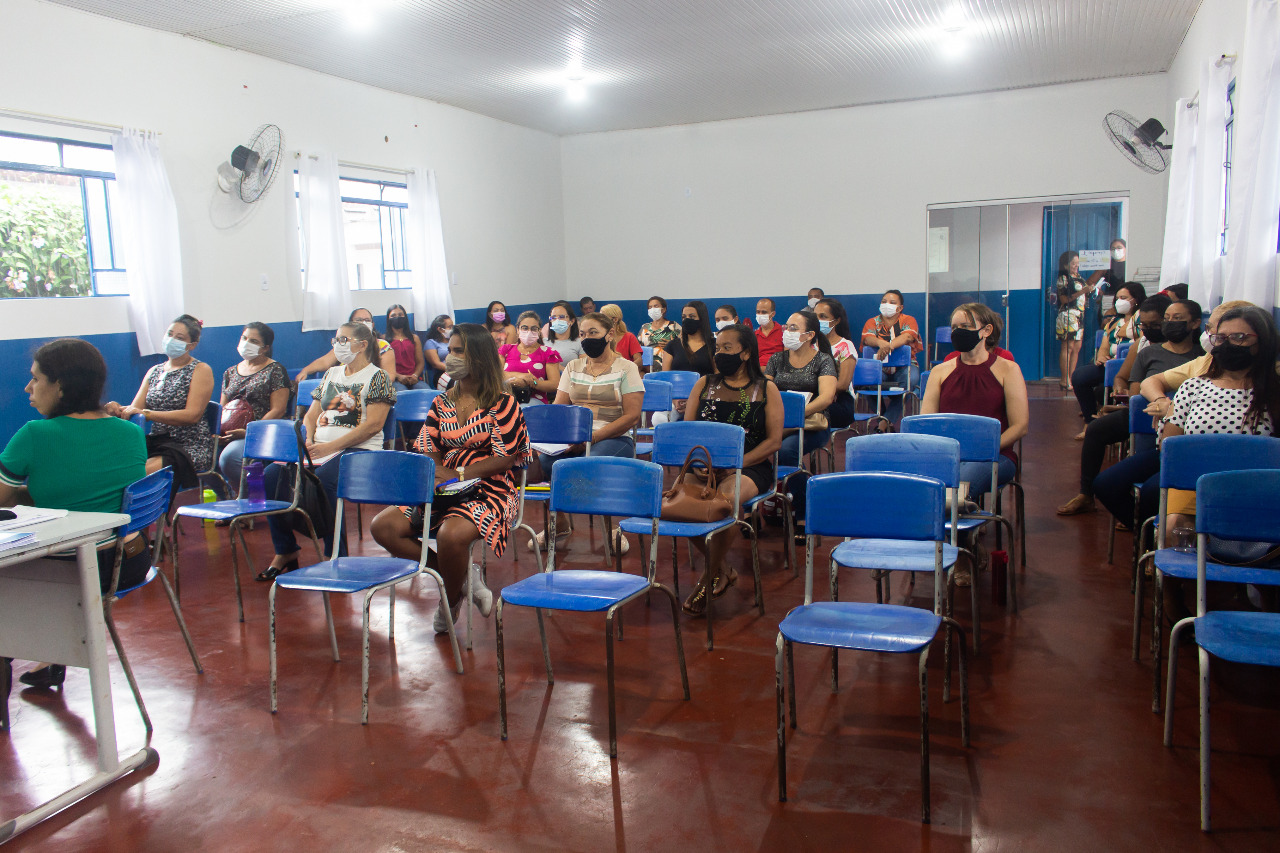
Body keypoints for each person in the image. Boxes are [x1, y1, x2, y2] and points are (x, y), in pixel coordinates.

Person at [1, 339, 147, 689]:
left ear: (60, 385)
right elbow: (92, 492)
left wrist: (27, 492)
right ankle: (49, 658)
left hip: (73, 567)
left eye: (36, 378)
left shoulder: (34, 434)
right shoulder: (131, 431)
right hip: (128, 561)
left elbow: (3, 500)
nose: (28, 388)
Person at [371, 324, 531, 632]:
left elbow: (505, 457)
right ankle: (461, 579)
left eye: (459, 351)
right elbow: (428, 446)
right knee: (384, 527)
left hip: (491, 488)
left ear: (479, 357)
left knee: (450, 536)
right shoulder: (442, 401)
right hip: (444, 485)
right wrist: (440, 474)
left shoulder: (503, 402)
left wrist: (459, 474)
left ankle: (450, 598)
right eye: (450, 350)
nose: (450, 357)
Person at [257, 320, 395, 582]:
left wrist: (329, 448)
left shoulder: (378, 377)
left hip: (359, 452)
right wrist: (309, 440)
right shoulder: (332, 374)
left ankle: (336, 555)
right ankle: (285, 549)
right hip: (321, 450)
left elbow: (374, 425)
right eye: (336, 340)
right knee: (272, 474)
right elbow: (311, 416)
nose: (337, 345)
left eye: (343, 340)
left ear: (362, 345)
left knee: (322, 480)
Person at [1058, 298, 1202, 516]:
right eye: (1167, 319)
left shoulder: (1201, 358)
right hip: (1145, 414)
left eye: (1176, 319)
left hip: (1183, 424)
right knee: (1096, 430)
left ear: (1195, 323)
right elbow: (1135, 388)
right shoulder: (1149, 352)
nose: (1169, 324)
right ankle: (1086, 494)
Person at [679, 324, 783, 615]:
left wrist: (735, 464)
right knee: (684, 507)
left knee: (725, 501)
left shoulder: (766, 389)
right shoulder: (704, 384)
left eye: (727, 348)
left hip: (749, 466)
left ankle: (707, 578)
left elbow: (774, 441)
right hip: (704, 466)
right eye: (718, 348)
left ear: (746, 352)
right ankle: (723, 569)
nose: (719, 354)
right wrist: (699, 465)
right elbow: (688, 431)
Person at [528, 311, 643, 551]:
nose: (587, 338)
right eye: (582, 334)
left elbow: (632, 416)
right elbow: (559, 409)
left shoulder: (627, 368)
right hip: (575, 438)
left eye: (593, 333)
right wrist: (560, 441)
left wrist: (591, 438)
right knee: (547, 461)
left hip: (613, 436)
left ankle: (611, 527)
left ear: (609, 334)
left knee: (591, 462)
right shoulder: (573, 367)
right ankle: (559, 522)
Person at [1160, 305, 1280, 529]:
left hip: (1259, 492)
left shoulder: (1275, 392)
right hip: (1196, 486)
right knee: (1175, 526)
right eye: (1221, 338)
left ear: (1262, 342)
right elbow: (1171, 451)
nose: (1227, 344)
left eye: (1239, 337)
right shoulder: (1192, 387)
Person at [921, 302, 1029, 496]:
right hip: (948, 455)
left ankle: (953, 509)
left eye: (965, 326)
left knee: (957, 485)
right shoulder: (939, 372)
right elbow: (926, 423)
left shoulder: (1009, 370)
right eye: (954, 327)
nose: (958, 332)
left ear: (986, 331)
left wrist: (983, 449)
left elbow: (1020, 426)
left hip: (994, 456)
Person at [106, 314, 215, 480]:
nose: (171, 340)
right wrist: (117, 409)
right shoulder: (154, 371)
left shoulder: (200, 370)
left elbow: (192, 416)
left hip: (188, 446)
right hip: (158, 443)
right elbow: (135, 411)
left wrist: (148, 414)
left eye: (179, 338)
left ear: (192, 345)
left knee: (137, 474)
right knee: (114, 465)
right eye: (169, 334)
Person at [765, 310, 837, 543]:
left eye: (794, 328)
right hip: (779, 422)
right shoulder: (776, 360)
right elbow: (765, 391)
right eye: (786, 327)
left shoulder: (823, 360)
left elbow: (826, 398)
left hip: (812, 424)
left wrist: (795, 413)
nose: (787, 332)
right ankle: (754, 507)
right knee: (749, 443)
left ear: (810, 335)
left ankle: (803, 512)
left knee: (786, 450)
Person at [217, 322, 291, 491]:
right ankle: (229, 497)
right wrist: (218, 433)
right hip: (229, 432)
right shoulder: (230, 372)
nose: (246, 343)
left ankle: (255, 497)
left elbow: (278, 410)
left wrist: (249, 431)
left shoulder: (275, 370)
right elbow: (223, 407)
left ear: (265, 348)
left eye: (254, 341)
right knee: (204, 456)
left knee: (229, 458)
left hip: (260, 432)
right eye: (244, 338)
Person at [1071, 282, 1147, 432]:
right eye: (1117, 298)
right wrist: (1101, 358)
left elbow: (1143, 342)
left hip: (1130, 365)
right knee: (1079, 377)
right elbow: (1104, 346)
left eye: (1124, 298)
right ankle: (1090, 420)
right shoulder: (1113, 323)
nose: (1119, 301)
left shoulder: (1142, 321)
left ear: (1136, 299)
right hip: (1110, 365)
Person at [859, 290, 923, 425]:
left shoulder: (908, 320)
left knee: (910, 381)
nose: (887, 304)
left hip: (905, 367)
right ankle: (884, 418)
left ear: (900, 308)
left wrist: (888, 346)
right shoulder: (872, 322)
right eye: (884, 301)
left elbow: (907, 337)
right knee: (868, 383)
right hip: (879, 367)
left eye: (892, 302)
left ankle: (883, 423)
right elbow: (867, 339)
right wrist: (880, 343)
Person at [296, 307, 397, 381]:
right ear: (351, 323)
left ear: (372, 324)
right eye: (359, 320)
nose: (363, 323)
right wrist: (305, 371)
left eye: (367, 320)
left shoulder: (382, 345)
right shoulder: (344, 344)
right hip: (343, 385)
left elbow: (390, 375)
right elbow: (325, 361)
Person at [1052, 251, 1095, 391]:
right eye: (1073, 263)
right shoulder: (1063, 279)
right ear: (1066, 265)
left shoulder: (1079, 277)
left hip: (1079, 316)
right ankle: (1064, 379)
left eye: (1078, 263)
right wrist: (1082, 291)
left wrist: (1090, 290)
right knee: (1068, 347)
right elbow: (1064, 299)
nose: (1076, 266)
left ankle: (1071, 378)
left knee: (1077, 347)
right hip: (1068, 315)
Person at [813, 298, 858, 428]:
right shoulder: (809, 345)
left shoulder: (845, 346)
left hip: (839, 401)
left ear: (837, 321)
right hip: (813, 396)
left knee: (807, 414)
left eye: (823, 316)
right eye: (815, 316)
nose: (818, 320)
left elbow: (843, 384)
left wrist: (823, 394)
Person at [501, 311, 562, 405]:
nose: (529, 332)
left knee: (521, 410)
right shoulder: (506, 350)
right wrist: (521, 376)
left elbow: (554, 384)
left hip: (533, 399)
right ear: (518, 330)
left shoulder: (548, 353)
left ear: (539, 331)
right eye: (525, 328)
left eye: (534, 329)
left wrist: (532, 383)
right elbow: (496, 374)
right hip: (505, 396)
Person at [656, 300, 714, 378]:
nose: (687, 320)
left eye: (692, 316)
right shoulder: (672, 346)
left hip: (706, 385)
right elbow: (665, 377)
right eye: (684, 317)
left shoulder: (714, 345)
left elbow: (717, 376)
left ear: (702, 319)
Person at [384, 304, 425, 390]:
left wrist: (415, 375)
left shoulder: (414, 338)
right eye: (393, 315)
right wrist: (398, 376)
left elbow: (420, 362)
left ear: (405, 317)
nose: (397, 317)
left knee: (425, 391)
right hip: (395, 380)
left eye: (400, 315)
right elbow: (383, 366)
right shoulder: (384, 340)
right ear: (388, 319)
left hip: (414, 378)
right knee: (403, 393)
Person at [600, 303, 643, 367]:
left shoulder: (629, 337)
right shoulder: (599, 338)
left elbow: (639, 361)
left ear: (615, 319)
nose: (600, 320)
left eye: (603, 317)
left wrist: (626, 369)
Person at [422, 314, 454, 387]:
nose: (452, 329)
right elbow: (436, 364)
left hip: (457, 370)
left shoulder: (454, 341)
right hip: (442, 374)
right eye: (450, 327)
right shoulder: (431, 343)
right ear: (440, 329)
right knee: (456, 384)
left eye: (453, 326)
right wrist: (455, 370)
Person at [754, 297, 784, 368]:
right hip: (759, 370)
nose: (760, 315)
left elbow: (789, 357)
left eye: (764, 312)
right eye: (758, 312)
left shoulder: (784, 332)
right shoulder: (754, 335)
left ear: (773, 314)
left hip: (778, 369)